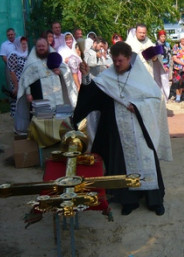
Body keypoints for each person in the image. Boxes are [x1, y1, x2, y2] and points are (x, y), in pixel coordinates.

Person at [73, 41, 172, 216]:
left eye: (120, 61)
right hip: (119, 132)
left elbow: (157, 99)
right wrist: (87, 76)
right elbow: (94, 94)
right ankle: (129, 201)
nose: (117, 64)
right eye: (114, 60)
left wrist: (138, 106)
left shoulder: (141, 76)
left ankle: (155, 201)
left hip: (141, 130)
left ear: (128, 58)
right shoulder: (107, 76)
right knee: (123, 165)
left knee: (147, 161)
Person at [14, 38, 75, 134]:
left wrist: (60, 72)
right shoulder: (31, 62)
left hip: (57, 96)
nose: (41, 48)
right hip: (40, 96)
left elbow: (66, 71)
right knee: (42, 120)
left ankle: (61, 136)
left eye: (43, 46)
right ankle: (43, 139)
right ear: (35, 48)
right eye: (39, 46)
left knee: (60, 118)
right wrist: (28, 93)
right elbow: (26, 80)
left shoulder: (54, 58)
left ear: (48, 47)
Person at [8, 36, 29, 117]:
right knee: (16, 102)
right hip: (17, 83)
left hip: (25, 83)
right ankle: (16, 123)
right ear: (18, 44)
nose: (24, 46)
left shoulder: (26, 54)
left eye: (25, 44)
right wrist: (16, 86)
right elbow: (12, 72)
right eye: (22, 44)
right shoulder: (13, 55)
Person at [154, 30, 171, 99]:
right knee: (157, 79)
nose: (163, 38)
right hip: (157, 63)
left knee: (165, 80)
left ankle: (166, 96)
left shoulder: (167, 45)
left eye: (164, 37)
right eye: (161, 37)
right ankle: (159, 95)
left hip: (165, 64)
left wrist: (168, 65)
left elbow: (169, 55)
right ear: (159, 37)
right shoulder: (155, 44)